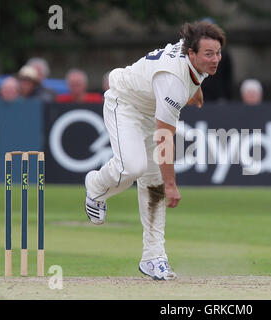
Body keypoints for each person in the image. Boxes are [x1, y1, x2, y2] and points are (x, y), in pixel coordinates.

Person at [84, 21, 225, 280]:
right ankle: (95, 186)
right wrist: (171, 184)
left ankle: (153, 257)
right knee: (133, 167)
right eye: (209, 54)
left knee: (152, 182)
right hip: (124, 103)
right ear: (191, 53)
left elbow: (190, 75)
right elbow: (164, 140)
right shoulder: (173, 82)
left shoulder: (195, 60)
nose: (215, 59)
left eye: (218, 53)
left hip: (150, 107)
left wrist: (197, 89)